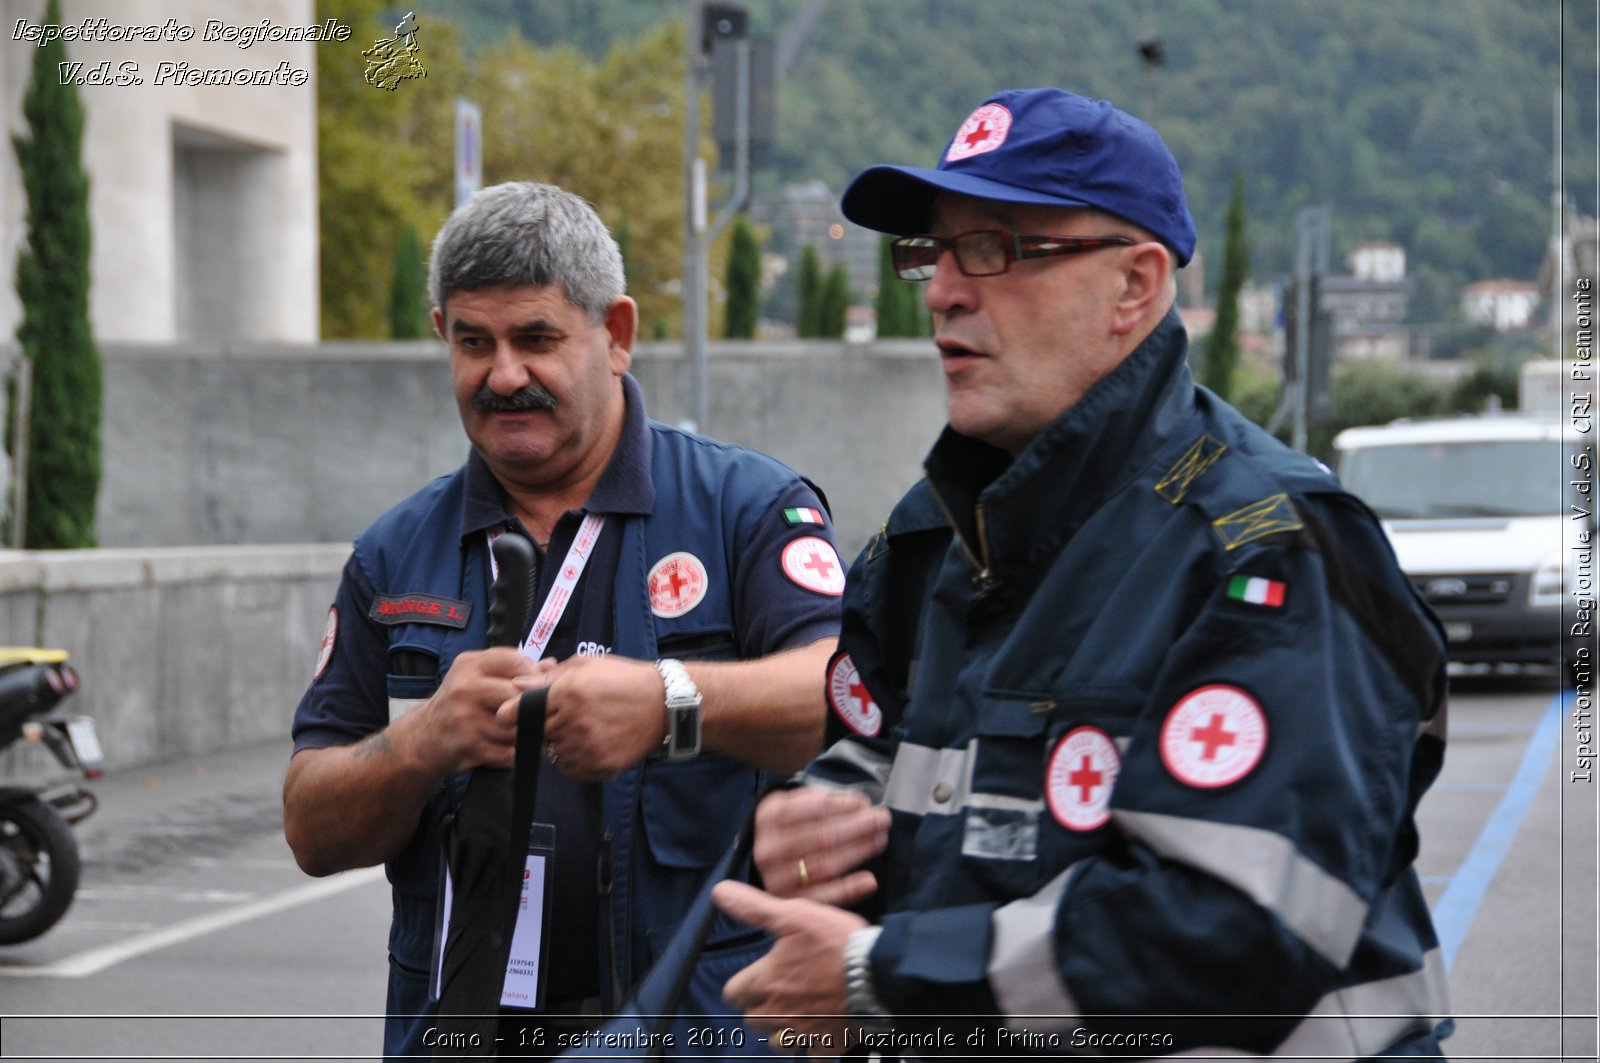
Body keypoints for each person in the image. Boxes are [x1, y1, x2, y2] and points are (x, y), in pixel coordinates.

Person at [714, 88, 1453, 1059]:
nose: (941, 288)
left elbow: (1238, 927)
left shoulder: (1270, 547)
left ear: (1135, 288)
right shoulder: (928, 536)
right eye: (930, 252)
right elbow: (863, 770)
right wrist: (802, 841)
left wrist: (881, 980)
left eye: (994, 247)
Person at [283, 181, 845, 1060]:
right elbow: (312, 827)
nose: (503, 374)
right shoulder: (393, 556)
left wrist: (670, 700)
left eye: (536, 338)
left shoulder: (745, 508)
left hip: (690, 1035)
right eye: (474, 342)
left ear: (615, 335)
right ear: (443, 338)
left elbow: (843, 690)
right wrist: (424, 738)